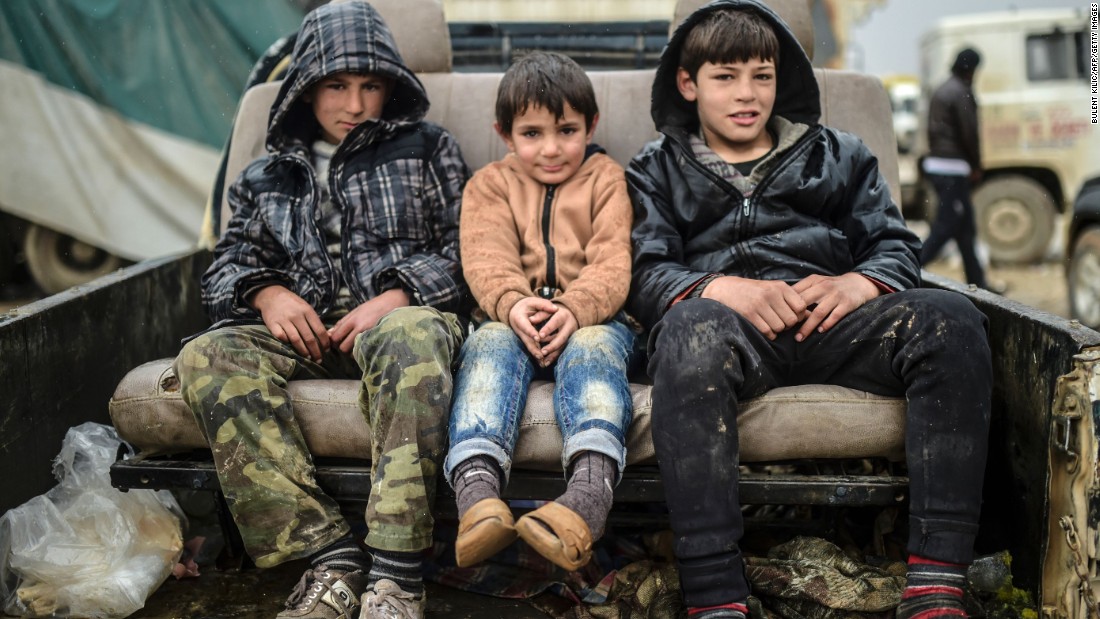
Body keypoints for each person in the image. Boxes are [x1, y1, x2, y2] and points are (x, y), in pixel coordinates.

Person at [626, 2, 992, 619]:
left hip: (838, 328)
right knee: (688, 333)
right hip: (730, 334)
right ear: (688, 84)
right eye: (726, 76)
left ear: (781, 77)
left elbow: (895, 246)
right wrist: (724, 289)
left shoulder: (838, 154)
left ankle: (936, 580)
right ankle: (716, 595)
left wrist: (860, 284)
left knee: (951, 321)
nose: (747, 95)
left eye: (762, 75)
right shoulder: (655, 168)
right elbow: (643, 271)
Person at [174, 3, 470, 618]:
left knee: (413, 334)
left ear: (391, 87)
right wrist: (267, 293)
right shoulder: (267, 176)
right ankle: (330, 557)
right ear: (307, 90)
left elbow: (468, 252)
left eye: (370, 85)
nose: (355, 104)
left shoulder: (428, 148)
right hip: (303, 337)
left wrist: (395, 297)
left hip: (399, 324)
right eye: (336, 85)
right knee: (208, 353)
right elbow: (222, 269)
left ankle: (394, 575)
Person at [443, 51, 637, 572]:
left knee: (596, 346)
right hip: (513, 318)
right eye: (532, 134)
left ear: (591, 125)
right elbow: (484, 257)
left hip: (591, 318)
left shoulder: (605, 178)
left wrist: (575, 308)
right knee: (485, 344)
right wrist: (513, 304)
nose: (551, 149)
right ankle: (478, 500)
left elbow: (613, 260)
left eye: (567, 131)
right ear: (504, 133)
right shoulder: (489, 185)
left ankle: (586, 502)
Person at [920, 48, 991, 290]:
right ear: (971, 69)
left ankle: (978, 281)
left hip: (939, 164)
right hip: (954, 167)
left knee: (964, 228)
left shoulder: (942, 89)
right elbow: (969, 133)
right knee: (948, 224)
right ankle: (911, 265)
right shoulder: (961, 92)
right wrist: (976, 164)